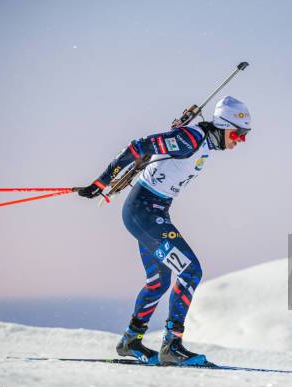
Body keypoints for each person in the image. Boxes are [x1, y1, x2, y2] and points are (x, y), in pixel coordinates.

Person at [77, 96, 251, 366]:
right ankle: (172, 345)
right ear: (225, 126)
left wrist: (176, 132)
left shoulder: (199, 139)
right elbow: (138, 146)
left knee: (159, 281)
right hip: (144, 212)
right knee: (190, 271)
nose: (241, 140)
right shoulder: (191, 139)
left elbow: (167, 149)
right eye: (239, 133)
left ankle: (130, 341)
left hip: (151, 212)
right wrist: (102, 181)